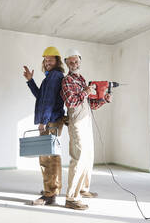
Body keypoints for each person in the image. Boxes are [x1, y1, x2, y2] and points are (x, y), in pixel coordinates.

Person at [61, 49, 112, 210]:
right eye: (70, 62)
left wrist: (103, 99)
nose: (74, 64)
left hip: (86, 120)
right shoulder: (67, 80)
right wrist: (86, 91)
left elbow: (90, 105)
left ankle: (83, 189)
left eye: (76, 61)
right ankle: (71, 198)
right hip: (76, 122)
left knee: (88, 156)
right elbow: (71, 102)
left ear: (80, 61)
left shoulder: (82, 79)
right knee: (79, 157)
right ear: (66, 63)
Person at [23, 46, 65, 206]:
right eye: (45, 60)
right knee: (50, 156)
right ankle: (51, 189)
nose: (47, 62)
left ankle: (50, 194)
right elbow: (41, 96)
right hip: (52, 120)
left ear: (57, 61)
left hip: (51, 121)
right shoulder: (50, 77)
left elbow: (49, 102)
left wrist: (44, 121)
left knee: (48, 158)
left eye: (51, 59)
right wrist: (30, 80)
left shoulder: (55, 76)